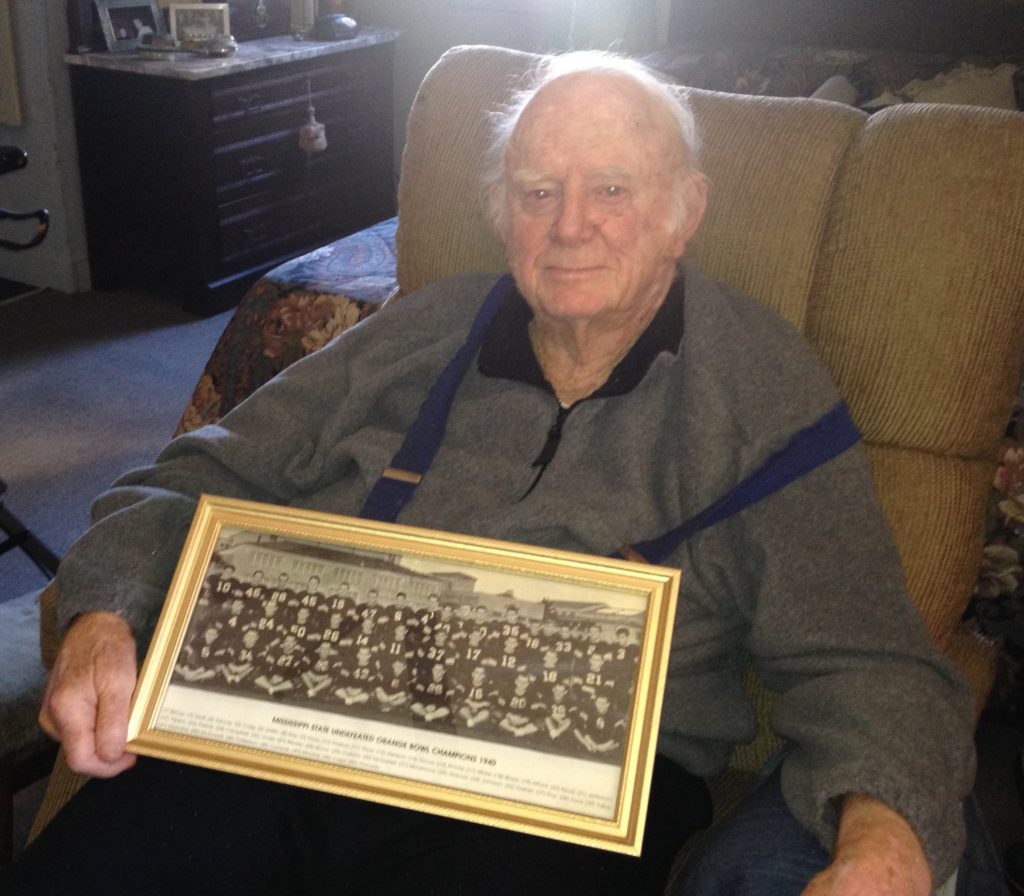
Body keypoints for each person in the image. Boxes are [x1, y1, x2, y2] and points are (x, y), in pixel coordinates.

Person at [3, 50, 975, 896]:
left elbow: (868, 656)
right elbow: (184, 480)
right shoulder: (415, 330)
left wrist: (883, 839)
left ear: (685, 210)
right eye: (536, 190)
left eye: (613, 188)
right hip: (292, 727)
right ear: (498, 210)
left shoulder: (761, 389)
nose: (569, 225)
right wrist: (102, 614)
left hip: (558, 803)